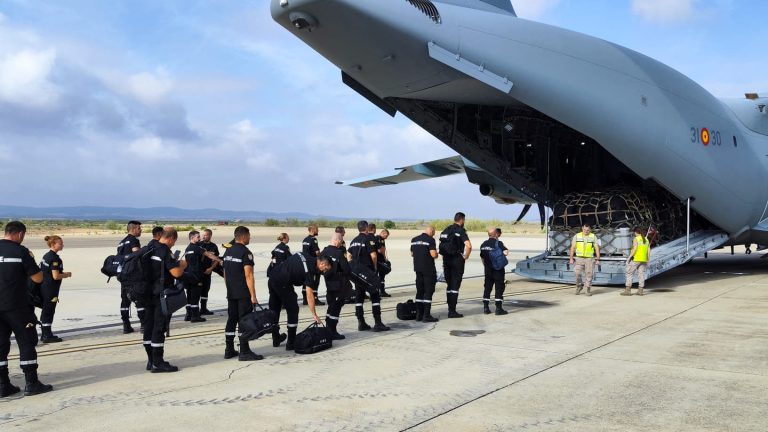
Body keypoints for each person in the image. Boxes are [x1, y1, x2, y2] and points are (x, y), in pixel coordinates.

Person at [0, 221, 52, 397]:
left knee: (0, 345)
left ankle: (3, 385)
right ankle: (31, 383)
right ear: (20, 234)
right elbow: (37, 278)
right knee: (26, 341)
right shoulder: (21, 252)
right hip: (17, 306)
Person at [141, 227, 187, 373]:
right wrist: (182, 264)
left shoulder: (150, 246)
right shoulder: (164, 251)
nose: (173, 244)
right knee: (159, 328)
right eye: (174, 241)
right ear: (171, 238)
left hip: (146, 293)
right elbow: (176, 273)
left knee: (148, 327)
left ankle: (151, 360)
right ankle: (158, 362)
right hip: (160, 295)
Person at [269, 251, 332, 350]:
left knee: (274, 310)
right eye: (325, 269)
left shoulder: (306, 255)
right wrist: (314, 314)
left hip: (273, 276)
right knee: (293, 309)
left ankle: (275, 338)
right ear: (322, 263)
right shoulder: (311, 272)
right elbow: (309, 294)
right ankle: (291, 342)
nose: (325, 272)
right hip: (283, 282)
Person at [222, 226, 263, 361]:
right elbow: (249, 276)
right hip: (243, 293)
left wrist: (229, 287)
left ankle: (229, 349)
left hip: (231, 292)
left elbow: (225, 272)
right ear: (244, 236)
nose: (250, 238)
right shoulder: (246, 253)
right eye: (249, 235)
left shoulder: (228, 251)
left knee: (232, 319)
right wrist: (253, 296)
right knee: (244, 321)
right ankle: (244, 351)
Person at [349, 220, 390, 332]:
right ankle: (378, 323)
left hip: (357, 273)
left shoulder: (354, 241)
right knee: (375, 295)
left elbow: (349, 256)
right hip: (368, 271)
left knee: (359, 297)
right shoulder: (368, 239)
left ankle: (361, 322)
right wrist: (375, 267)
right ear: (366, 228)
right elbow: (373, 255)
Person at [39, 235, 72, 343]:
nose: (62, 245)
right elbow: (56, 276)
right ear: (53, 244)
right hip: (50, 288)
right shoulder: (54, 259)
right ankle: (46, 335)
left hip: (44, 287)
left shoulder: (46, 256)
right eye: (60, 243)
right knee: (49, 311)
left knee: (46, 311)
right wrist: (66, 274)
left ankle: (45, 333)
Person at [439, 212, 472, 318]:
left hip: (446, 261)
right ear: (461, 220)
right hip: (457, 260)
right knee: (455, 286)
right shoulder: (460, 230)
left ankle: (450, 308)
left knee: (449, 286)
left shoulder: (446, 230)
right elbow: (469, 246)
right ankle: (452, 311)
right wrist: (465, 256)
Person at [321, 233, 351, 339]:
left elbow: (320, 269)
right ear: (337, 240)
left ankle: (329, 328)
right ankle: (332, 331)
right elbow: (347, 269)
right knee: (336, 308)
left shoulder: (323, 252)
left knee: (331, 306)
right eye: (341, 241)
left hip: (329, 285)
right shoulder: (338, 253)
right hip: (339, 285)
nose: (341, 244)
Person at [117, 221, 142, 334]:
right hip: (133, 275)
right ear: (133, 229)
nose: (140, 230)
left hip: (123, 275)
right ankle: (144, 324)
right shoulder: (133, 240)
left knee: (125, 301)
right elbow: (136, 254)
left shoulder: (121, 243)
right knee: (139, 299)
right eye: (139, 228)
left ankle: (126, 325)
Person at [410, 226, 439, 322]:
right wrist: (437, 254)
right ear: (431, 231)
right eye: (434, 232)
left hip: (417, 269)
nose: (434, 234)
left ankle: (419, 314)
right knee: (428, 291)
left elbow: (412, 253)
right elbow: (433, 254)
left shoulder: (414, 240)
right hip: (428, 269)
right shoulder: (430, 240)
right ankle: (426, 315)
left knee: (420, 291)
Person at [479, 228, 509, 315]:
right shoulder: (498, 243)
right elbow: (506, 252)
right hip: (498, 269)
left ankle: (486, 308)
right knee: (499, 287)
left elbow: (482, 257)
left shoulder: (483, 244)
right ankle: (499, 309)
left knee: (487, 288)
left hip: (488, 269)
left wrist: (486, 266)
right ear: (496, 234)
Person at [569, 223, 601, 296]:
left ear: (590, 230)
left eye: (588, 230)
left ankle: (587, 289)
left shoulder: (593, 236)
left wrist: (598, 259)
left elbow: (597, 248)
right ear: (582, 228)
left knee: (589, 274)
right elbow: (572, 247)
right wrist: (571, 258)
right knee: (577, 273)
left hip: (589, 259)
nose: (586, 231)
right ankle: (579, 286)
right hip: (579, 258)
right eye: (585, 229)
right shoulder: (577, 236)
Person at [183, 231, 206, 323]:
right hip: (196, 275)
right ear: (192, 238)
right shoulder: (197, 249)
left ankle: (188, 315)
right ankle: (195, 316)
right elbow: (207, 255)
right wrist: (219, 260)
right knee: (195, 297)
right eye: (198, 237)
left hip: (188, 275)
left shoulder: (187, 248)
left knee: (189, 296)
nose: (199, 238)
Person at [622, 227, 650, 296]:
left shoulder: (636, 239)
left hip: (636, 259)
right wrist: (648, 260)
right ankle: (640, 290)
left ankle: (628, 290)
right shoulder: (646, 239)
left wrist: (629, 258)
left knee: (629, 273)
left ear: (636, 232)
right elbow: (648, 250)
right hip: (643, 260)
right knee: (641, 274)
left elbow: (634, 249)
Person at [198, 228, 220, 315]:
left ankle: (203, 308)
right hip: (199, 272)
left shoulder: (214, 246)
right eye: (203, 234)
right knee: (197, 290)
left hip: (208, 271)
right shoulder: (199, 245)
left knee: (205, 290)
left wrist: (211, 268)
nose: (203, 236)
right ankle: (195, 310)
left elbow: (216, 259)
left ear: (210, 235)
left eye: (206, 235)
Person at [301, 224, 324, 306]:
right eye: (317, 229)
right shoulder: (313, 239)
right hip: (312, 263)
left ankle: (305, 299)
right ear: (313, 230)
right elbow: (317, 252)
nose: (318, 231)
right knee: (315, 281)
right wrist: (322, 259)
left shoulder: (305, 240)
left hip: (305, 263)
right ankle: (315, 299)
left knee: (306, 281)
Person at [375, 228, 392, 297]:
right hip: (380, 260)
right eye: (386, 236)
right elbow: (381, 250)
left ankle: (376, 291)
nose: (386, 238)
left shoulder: (375, 238)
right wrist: (385, 258)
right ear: (383, 233)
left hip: (375, 260)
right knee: (382, 276)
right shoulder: (380, 239)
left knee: (376, 276)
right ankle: (382, 291)